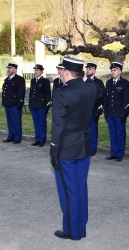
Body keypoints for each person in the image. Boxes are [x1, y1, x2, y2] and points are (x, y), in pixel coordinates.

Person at [50, 57, 96, 241]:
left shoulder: (62, 93)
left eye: (61, 70)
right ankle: (81, 226)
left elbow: (58, 126)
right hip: (84, 145)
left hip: (66, 149)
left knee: (69, 192)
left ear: (67, 72)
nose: (60, 74)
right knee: (80, 188)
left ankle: (72, 232)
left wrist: (54, 152)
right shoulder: (90, 88)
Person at [103, 62, 129, 162]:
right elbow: (106, 98)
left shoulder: (125, 83)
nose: (113, 72)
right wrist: (105, 111)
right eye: (112, 70)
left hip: (119, 113)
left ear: (120, 72)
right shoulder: (109, 83)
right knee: (112, 133)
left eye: (115, 70)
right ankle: (113, 153)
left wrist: (125, 112)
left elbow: (126, 99)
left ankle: (119, 153)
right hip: (110, 112)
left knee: (120, 134)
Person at [1, 62, 26, 144]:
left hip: (15, 104)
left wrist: (20, 102)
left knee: (16, 121)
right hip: (7, 104)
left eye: (10, 68)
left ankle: (18, 137)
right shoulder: (7, 79)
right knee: (10, 121)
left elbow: (21, 92)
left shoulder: (19, 79)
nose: (8, 70)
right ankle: (11, 136)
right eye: (8, 68)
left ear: (15, 70)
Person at [85, 62, 105, 156]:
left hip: (94, 110)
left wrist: (98, 110)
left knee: (92, 131)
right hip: (84, 111)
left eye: (90, 69)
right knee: (84, 131)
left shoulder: (98, 82)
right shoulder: (83, 82)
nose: (87, 70)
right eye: (87, 69)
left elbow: (102, 97)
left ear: (94, 71)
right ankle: (85, 148)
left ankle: (92, 149)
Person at [29, 64, 51, 147]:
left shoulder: (45, 81)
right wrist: (30, 104)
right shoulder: (33, 81)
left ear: (41, 71)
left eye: (37, 70)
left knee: (42, 123)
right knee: (36, 123)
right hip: (34, 105)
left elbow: (47, 94)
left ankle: (42, 140)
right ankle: (37, 139)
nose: (36, 72)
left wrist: (47, 106)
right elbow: (31, 93)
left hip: (41, 106)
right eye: (35, 70)